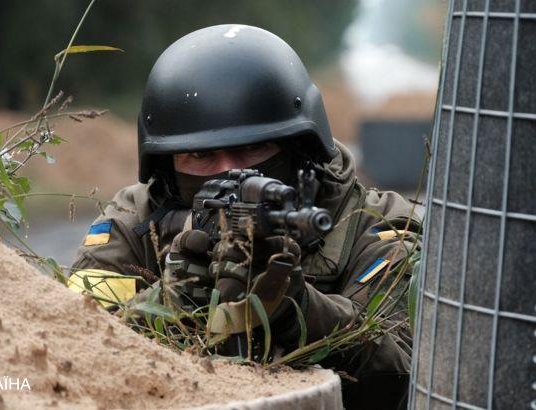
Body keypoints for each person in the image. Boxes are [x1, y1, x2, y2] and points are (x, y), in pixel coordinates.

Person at [71, 24, 421, 409]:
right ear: (168, 164)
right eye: (201, 156)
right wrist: (168, 303)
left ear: (299, 147)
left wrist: (300, 312)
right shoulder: (135, 219)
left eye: (254, 148)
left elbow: (407, 381)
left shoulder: (378, 223)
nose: (229, 173)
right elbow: (70, 348)